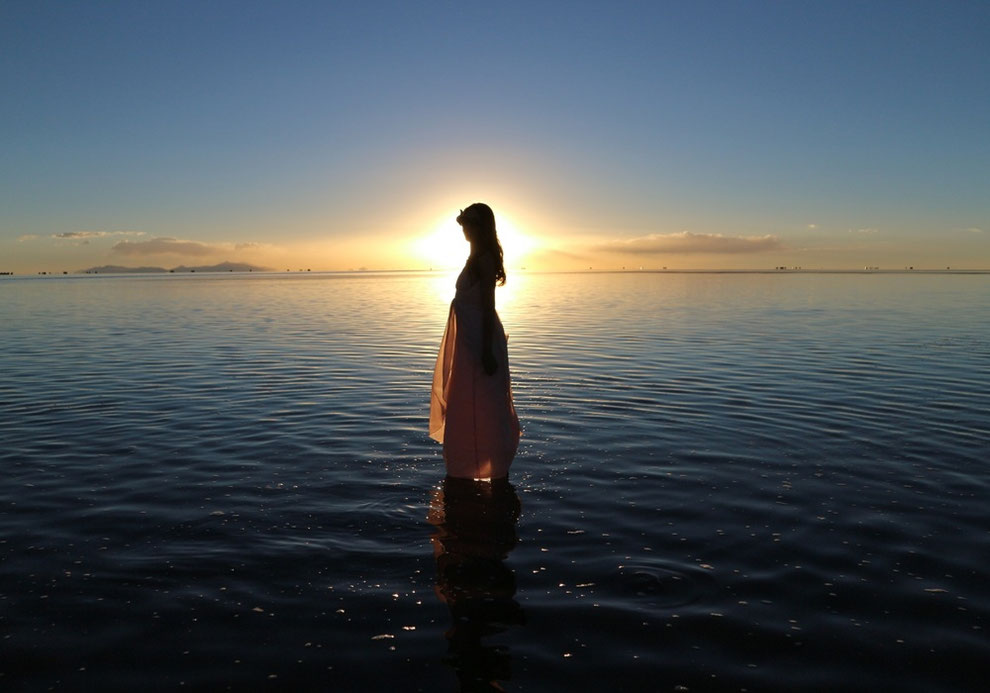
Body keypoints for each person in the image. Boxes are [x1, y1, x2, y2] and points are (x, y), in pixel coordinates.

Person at [429, 203, 521, 480]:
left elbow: (487, 306)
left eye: (468, 224)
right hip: (468, 339)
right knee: (466, 401)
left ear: (480, 227)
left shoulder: (484, 260)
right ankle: (468, 464)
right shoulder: (474, 258)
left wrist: (486, 351)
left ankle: (492, 466)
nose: (464, 230)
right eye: (464, 224)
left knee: (486, 402)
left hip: (480, 340)